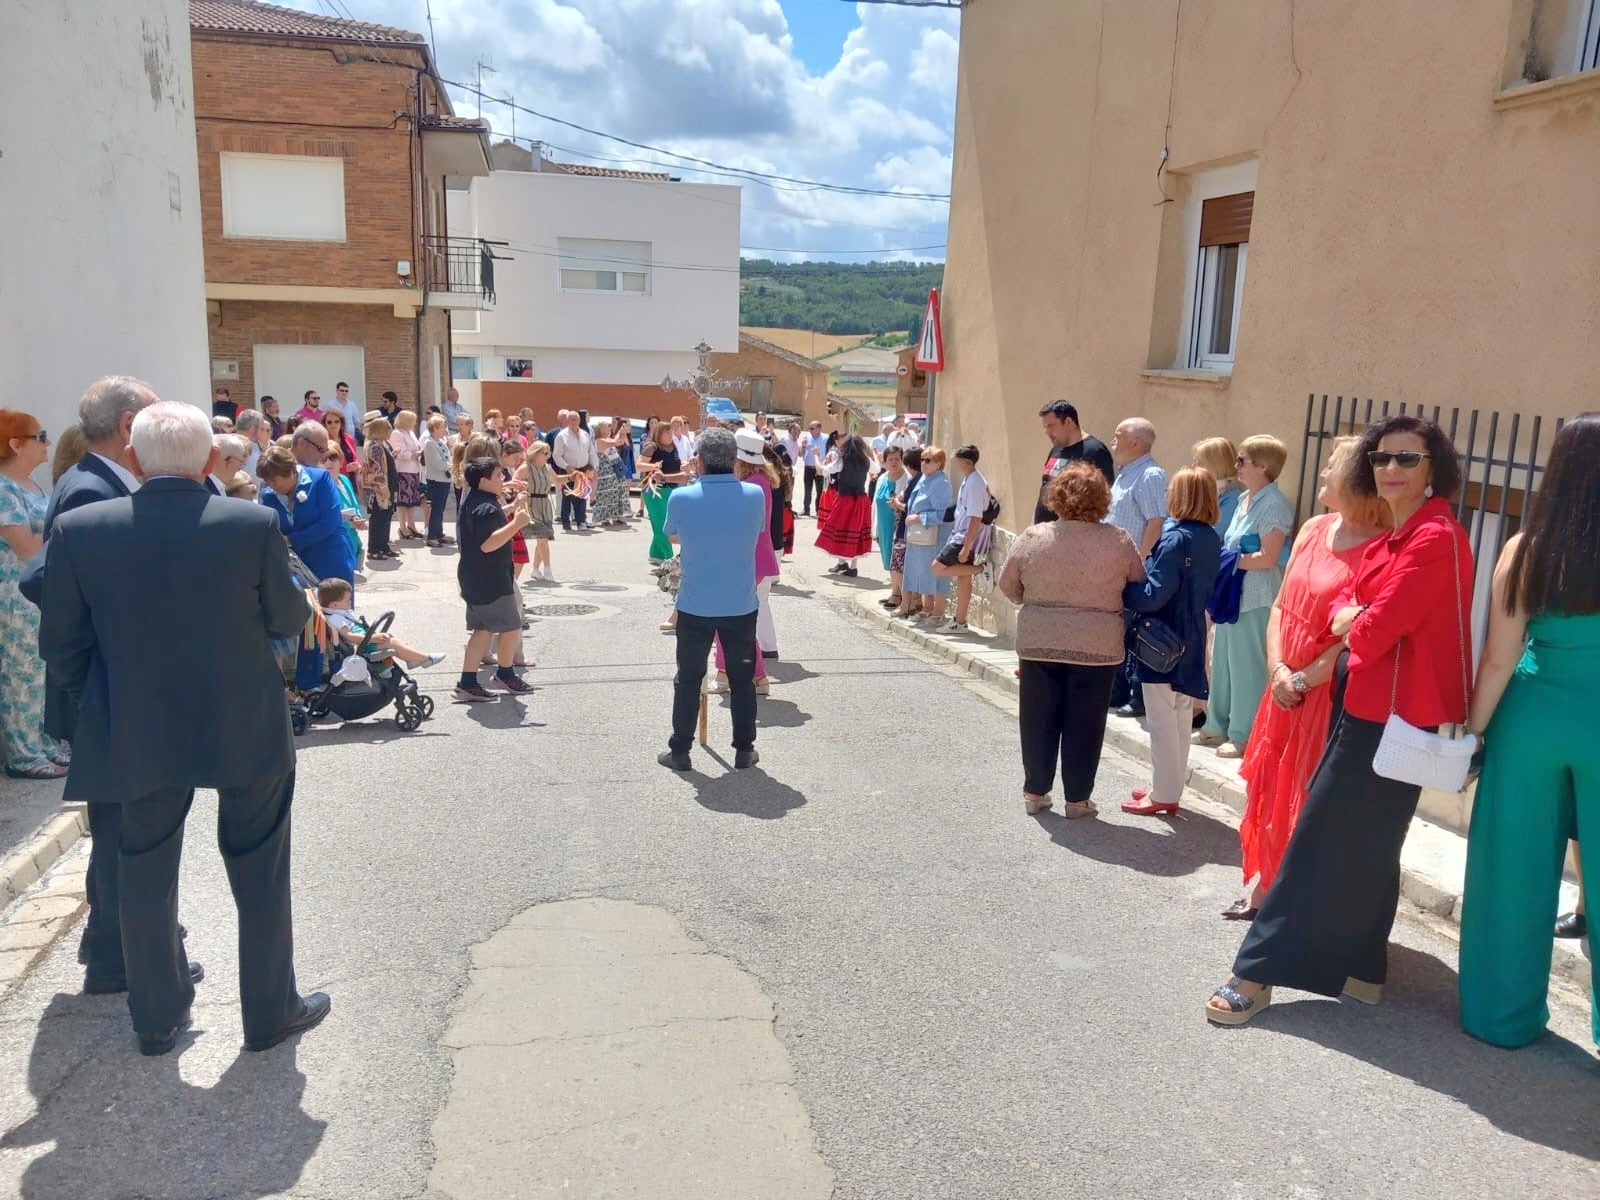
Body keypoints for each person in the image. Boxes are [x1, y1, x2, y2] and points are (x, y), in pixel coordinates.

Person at [39, 401, 328, 1055]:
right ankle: (269, 1010)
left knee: (142, 867)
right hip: (244, 718)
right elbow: (285, 619)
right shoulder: (249, 524)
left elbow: (60, 642)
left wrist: (104, 699)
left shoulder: (82, 529)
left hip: (137, 722)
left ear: (134, 459)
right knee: (259, 865)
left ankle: (156, 1017)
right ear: (207, 461)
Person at [1207, 415, 1472, 1025]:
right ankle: (1363, 969)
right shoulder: (1398, 537)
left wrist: (1358, 619)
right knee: (1372, 845)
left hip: (1389, 717)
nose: (1392, 470)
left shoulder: (1433, 536)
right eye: (1381, 459)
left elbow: (1372, 631)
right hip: (1368, 710)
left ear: (1436, 469)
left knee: (1316, 840)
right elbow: (1354, 619)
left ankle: (1256, 971)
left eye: (1409, 459)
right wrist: (1357, 619)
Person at [1460, 412, 1600, 1049]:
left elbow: (1498, 656)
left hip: (1531, 720)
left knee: (1511, 870)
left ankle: (1503, 1016)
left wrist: (1471, 733)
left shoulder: (1528, 547)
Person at [18, 377, 158, 989]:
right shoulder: (89, 491)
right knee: (124, 828)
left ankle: (112, 948)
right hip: (107, 691)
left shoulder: (94, 483)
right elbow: (43, 582)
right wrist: (104, 657)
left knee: (119, 826)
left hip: (107, 689)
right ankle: (120, 955)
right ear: (129, 428)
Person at [1227, 438, 1388, 919]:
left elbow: (1356, 636)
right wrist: (1278, 671)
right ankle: (1265, 889)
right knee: (1270, 789)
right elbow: (1280, 606)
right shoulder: (1315, 528)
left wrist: (1300, 681)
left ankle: (1292, 900)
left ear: (1357, 479)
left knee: (1303, 796)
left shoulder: (1382, 547)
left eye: (1330, 468)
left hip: (1322, 695)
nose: (1320, 476)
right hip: (1284, 685)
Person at [998, 462, 1144, 818]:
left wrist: (1036, 601)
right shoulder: (1118, 540)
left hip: (1040, 640)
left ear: (1057, 497)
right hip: (1096, 644)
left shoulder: (1034, 537)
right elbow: (1137, 585)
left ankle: (1035, 791)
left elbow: (1008, 585)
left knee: (1037, 718)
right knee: (1086, 722)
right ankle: (1077, 799)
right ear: (1103, 499)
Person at [657, 429, 766, 772]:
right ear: (733, 460)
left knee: (688, 678)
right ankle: (744, 748)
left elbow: (672, 534)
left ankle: (680, 751)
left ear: (700, 461)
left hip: (695, 603)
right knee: (742, 678)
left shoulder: (682, 497)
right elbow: (758, 531)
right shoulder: (753, 495)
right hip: (740, 603)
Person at [1121, 468, 1224, 817]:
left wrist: (1125, 587)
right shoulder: (1210, 537)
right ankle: (1168, 786)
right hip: (1192, 632)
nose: (1166, 496)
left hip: (1163, 638)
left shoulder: (1175, 538)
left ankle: (1164, 792)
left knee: (1162, 719)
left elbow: (1153, 594)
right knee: (1179, 715)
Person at [1198, 435, 1295, 757]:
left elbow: (1268, 557)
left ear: (1262, 466)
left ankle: (1242, 734)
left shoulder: (1275, 505)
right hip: (1231, 591)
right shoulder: (1244, 500)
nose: (1236, 466)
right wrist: (1230, 560)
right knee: (1222, 661)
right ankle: (1215, 725)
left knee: (1246, 667)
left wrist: (1224, 560)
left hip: (1254, 596)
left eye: (1242, 461)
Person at [0, 411, 68, 780]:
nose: (47, 443)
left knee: (41, 673)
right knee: (21, 675)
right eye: (39, 436)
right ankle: (23, 754)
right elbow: (25, 547)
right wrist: (70, 537)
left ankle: (42, 742)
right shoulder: (3, 489)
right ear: (14, 444)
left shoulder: (30, 484)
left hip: (38, 592)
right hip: (15, 595)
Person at [453, 458, 535, 702]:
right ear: (483, 480)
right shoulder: (486, 508)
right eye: (498, 475)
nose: (503, 479)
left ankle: (467, 683)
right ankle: (505, 673)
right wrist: (516, 523)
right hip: (490, 579)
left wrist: (511, 508)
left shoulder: (477, 501)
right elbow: (488, 544)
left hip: (475, 577)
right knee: (511, 626)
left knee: (483, 630)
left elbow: (488, 526)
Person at [1105, 417, 1169, 717]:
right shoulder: (1125, 475)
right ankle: (1116, 692)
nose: (1113, 440)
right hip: (1115, 569)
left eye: (1119, 435)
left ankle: (1137, 697)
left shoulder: (1149, 475)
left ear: (1136, 443)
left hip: (1134, 571)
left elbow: (1157, 522)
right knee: (1117, 631)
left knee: (1135, 633)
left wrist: (1140, 562)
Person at [258, 445, 358, 585]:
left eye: (274, 480)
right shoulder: (269, 495)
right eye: (266, 481)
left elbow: (330, 521)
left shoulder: (320, 480)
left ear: (291, 472)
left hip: (330, 559)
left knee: (336, 606)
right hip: (296, 569)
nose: (270, 485)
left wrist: (290, 540)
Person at [930, 444, 993, 633]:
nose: (954, 462)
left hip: (965, 536)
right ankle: (960, 621)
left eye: (957, 459)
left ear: (965, 462)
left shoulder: (975, 484)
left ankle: (981, 569)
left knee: (937, 567)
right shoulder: (971, 480)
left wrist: (967, 546)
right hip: (961, 533)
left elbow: (975, 517)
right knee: (963, 576)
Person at [316, 578, 442, 670]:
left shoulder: (337, 613)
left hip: (364, 640)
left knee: (391, 638)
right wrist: (371, 638)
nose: (350, 602)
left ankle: (411, 659)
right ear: (335, 605)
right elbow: (350, 636)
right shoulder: (336, 618)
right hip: (363, 645)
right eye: (347, 600)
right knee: (394, 643)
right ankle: (426, 658)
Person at [898, 447, 954, 624]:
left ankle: (939, 611)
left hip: (934, 535)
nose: (923, 463)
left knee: (935, 573)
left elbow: (942, 513)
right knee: (922, 571)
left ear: (939, 463)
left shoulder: (941, 483)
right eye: (922, 459)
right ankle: (928, 607)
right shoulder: (925, 478)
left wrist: (918, 517)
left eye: (928, 460)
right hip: (919, 535)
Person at [1034, 400, 1114, 524]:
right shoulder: (1056, 449)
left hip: (1074, 535)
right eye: (1045, 428)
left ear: (1069, 422)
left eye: (1051, 426)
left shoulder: (1095, 451)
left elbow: (1104, 497)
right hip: (1046, 532)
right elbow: (1045, 486)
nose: (1047, 432)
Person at [816, 430, 874, 577]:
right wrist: (873, 455)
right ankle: (851, 566)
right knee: (857, 531)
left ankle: (842, 563)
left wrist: (818, 457)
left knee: (839, 528)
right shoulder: (865, 461)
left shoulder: (843, 460)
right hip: (861, 500)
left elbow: (823, 471)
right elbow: (878, 469)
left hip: (845, 500)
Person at [641, 421, 688, 565]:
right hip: (655, 490)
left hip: (671, 490)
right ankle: (668, 558)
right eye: (666, 432)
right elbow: (640, 465)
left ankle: (656, 554)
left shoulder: (673, 447)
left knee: (663, 523)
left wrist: (686, 466)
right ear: (659, 434)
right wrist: (653, 466)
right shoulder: (652, 447)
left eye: (670, 432)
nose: (670, 434)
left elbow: (676, 467)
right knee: (662, 524)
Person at [516, 441, 564, 582]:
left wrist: (572, 477)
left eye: (548, 453)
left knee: (541, 539)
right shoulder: (526, 468)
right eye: (545, 453)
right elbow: (514, 481)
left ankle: (536, 569)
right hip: (531, 505)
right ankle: (548, 569)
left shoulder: (547, 468)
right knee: (543, 538)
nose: (547, 456)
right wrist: (521, 488)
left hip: (545, 505)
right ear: (535, 453)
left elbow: (556, 480)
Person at [884, 447, 923, 613]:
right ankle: (909, 602)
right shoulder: (916, 480)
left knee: (899, 568)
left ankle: (908, 603)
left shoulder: (917, 481)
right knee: (900, 568)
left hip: (906, 530)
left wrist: (898, 505)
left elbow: (912, 507)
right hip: (903, 528)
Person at [359, 415, 398, 561]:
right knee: (378, 518)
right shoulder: (375, 446)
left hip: (388, 486)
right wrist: (383, 487)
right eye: (388, 428)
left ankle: (384, 546)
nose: (390, 430)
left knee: (386, 517)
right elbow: (377, 469)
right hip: (379, 490)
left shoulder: (382, 445)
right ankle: (374, 549)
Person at [322, 445, 367, 570]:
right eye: (324, 459)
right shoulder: (322, 485)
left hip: (351, 541)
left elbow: (354, 504)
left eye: (333, 457)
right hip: (334, 545)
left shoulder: (344, 479)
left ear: (341, 461)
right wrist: (350, 523)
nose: (328, 462)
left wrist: (358, 518)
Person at [553, 409, 597, 532]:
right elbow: (557, 455)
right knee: (567, 498)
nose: (575, 421)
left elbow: (591, 452)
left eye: (577, 419)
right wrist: (566, 466)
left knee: (582, 497)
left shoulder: (585, 434)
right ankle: (566, 523)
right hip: (568, 471)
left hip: (583, 471)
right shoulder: (561, 436)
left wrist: (592, 467)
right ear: (567, 421)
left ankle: (581, 521)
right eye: (572, 419)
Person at [1192, 436, 1243, 538]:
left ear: (1216, 464)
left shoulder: (1232, 498)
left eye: (1199, 462)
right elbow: (1173, 518)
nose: (1194, 466)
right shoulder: (1197, 490)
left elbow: (1212, 535)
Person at [874, 446, 908, 586]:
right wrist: (875, 529)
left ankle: (898, 592)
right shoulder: (882, 477)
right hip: (883, 525)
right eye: (890, 459)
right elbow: (874, 505)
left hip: (898, 525)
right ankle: (894, 589)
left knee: (898, 559)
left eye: (897, 459)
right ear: (885, 461)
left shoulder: (907, 478)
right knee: (888, 557)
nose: (894, 462)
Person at [422, 413, 455, 546]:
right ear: (435, 428)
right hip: (436, 480)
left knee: (440, 509)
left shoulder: (440, 441)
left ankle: (439, 533)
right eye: (442, 426)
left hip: (444, 479)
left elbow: (447, 458)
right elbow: (438, 464)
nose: (445, 429)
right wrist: (453, 466)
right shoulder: (430, 443)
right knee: (436, 508)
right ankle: (431, 537)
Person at [391, 409, 424, 539]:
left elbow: (417, 446)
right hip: (403, 470)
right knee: (402, 501)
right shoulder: (396, 433)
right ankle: (402, 527)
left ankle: (412, 525)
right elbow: (400, 453)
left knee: (411, 501)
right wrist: (413, 454)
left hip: (414, 470)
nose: (415, 423)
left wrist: (419, 452)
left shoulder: (410, 432)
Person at [591, 418, 630, 527]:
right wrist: (621, 430)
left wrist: (621, 431)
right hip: (606, 473)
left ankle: (618, 516)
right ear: (600, 429)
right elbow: (616, 442)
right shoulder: (600, 440)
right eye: (606, 426)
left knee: (618, 492)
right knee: (606, 494)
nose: (609, 427)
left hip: (616, 471)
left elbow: (618, 441)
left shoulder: (607, 439)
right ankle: (605, 518)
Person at [319, 410, 360, 483]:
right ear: (325, 424)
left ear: (341, 423)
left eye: (336, 421)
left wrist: (356, 465)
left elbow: (355, 458)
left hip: (350, 479)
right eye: (329, 422)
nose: (333, 425)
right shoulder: (322, 441)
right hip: (332, 480)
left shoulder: (348, 439)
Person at [799, 420, 826, 516]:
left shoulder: (825, 439)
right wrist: (803, 446)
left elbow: (828, 454)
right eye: (809, 428)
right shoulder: (807, 437)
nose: (810, 430)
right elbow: (800, 454)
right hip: (808, 468)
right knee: (807, 489)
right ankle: (806, 509)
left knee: (820, 490)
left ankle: (819, 510)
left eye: (812, 428)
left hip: (819, 468)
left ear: (819, 428)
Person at [234, 409, 268, 480]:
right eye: (261, 429)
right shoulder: (248, 452)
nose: (262, 432)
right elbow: (257, 480)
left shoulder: (228, 445)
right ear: (252, 428)